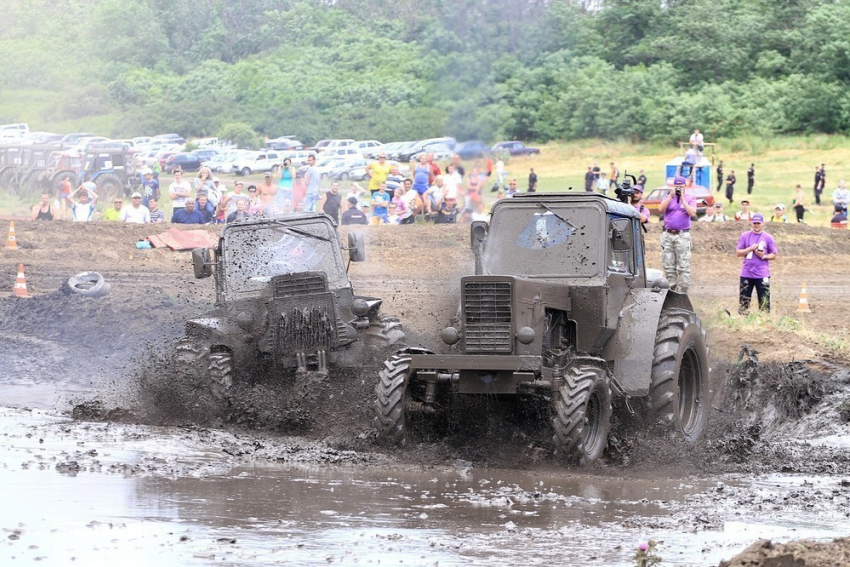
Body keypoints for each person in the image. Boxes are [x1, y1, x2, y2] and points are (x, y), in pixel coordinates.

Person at [658, 176, 697, 293]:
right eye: (677, 185)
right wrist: (671, 196)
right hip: (668, 234)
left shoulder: (690, 198)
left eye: (681, 185)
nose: (679, 187)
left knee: (683, 265)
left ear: (685, 186)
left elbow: (692, 212)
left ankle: (683, 292)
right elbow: (660, 209)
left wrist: (683, 199)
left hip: (682, 235)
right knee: (669, 265)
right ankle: (671, 290)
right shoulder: (668, 197)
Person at [736, 213, 778, 314]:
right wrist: (750, 248)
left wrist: (763, 256)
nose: (756, 225)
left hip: (762, 274)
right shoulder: (745, 236)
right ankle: (743, 322)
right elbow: (738, 253)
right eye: (754, 223)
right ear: (751, 223)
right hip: (747, 273)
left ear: (762, 223)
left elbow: (774, 254)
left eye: (758, 223)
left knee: (764, 302)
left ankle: (763, 322)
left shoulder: (768, 237)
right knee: (743, 302)